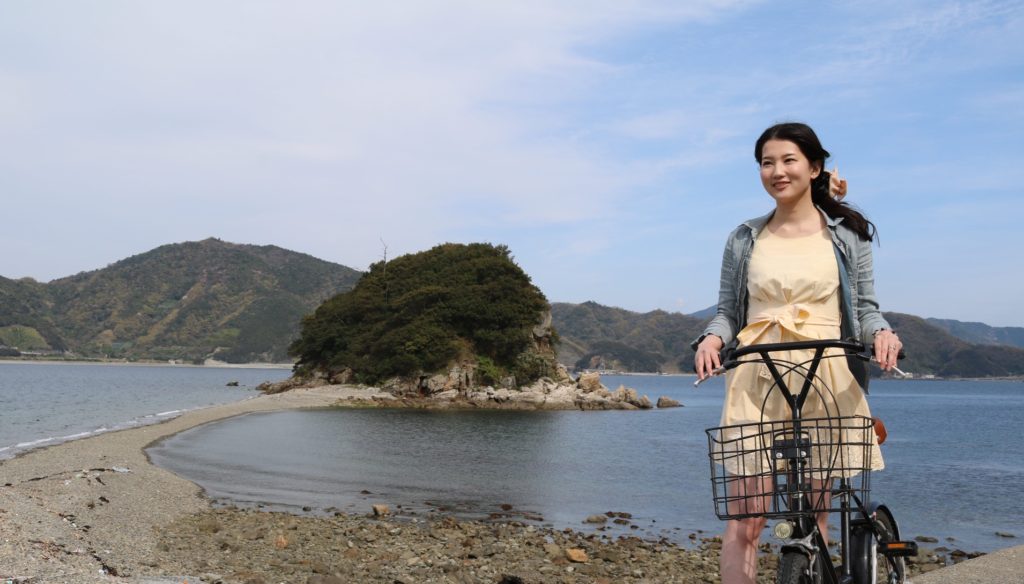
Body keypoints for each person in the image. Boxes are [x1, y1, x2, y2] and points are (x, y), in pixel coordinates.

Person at [692, 122, 902, 584]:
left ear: (814, 167)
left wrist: (883, 334)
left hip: (826, 372)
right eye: (767, 162)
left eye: (788, 160)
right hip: (756, 374)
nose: (777, 171)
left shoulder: (847, 235)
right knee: (745, 518)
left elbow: (866, 309)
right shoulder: (744, 238)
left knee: (817, 512)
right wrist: (711, 339)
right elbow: (728, 310)